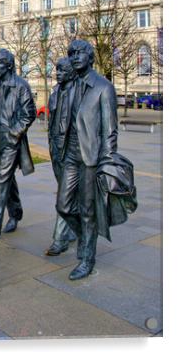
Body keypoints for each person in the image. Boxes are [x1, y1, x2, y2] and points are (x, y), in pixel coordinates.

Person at [56, 39, 118, 280]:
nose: (76, 57)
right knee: (63, 205)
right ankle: (84, 236)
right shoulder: (70, 86)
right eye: (72, 54)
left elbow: (110, 130)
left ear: (90, 57)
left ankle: (87, 257)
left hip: (91, 156)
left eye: (81, 53)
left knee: (88, 209)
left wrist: (108, 161)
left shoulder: (103, 87)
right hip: (71, 154)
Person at [0, 49, 36, 241]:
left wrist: (14, 133)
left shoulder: (21, 86)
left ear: (9, 65)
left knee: (1, 180)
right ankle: (16, 212)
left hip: (12, 140)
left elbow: (29, 113)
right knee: (7, 179)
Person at [45, 57, 77, 256]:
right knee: (67, 192)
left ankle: (60, 238)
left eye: (62, 70)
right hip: (56, 148)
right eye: (57, 70)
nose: (58, 73)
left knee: (64, 196)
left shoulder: (80, 92)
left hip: (72, 150)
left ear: (72, 72)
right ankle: (74, 226)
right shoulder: (55, 92)